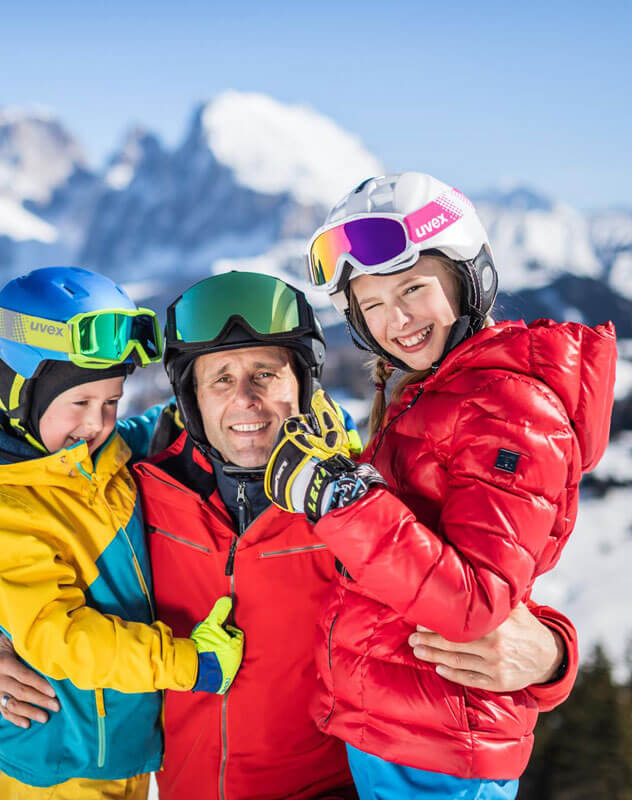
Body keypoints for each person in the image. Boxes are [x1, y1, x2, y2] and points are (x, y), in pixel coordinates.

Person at [0, 270, 581, 800]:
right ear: (190, 397)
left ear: (303, 384)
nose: (247, 400)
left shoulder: (356, 499)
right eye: (221, 380)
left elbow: (471, 586)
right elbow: (66, 555)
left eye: (267, 373)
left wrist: (553, 657)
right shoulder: (143, 482)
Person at [265, 172, 616, 799]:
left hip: (445, 749)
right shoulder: (435, 395)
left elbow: (475, 602)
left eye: (412, 289)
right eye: (370, 305)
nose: (394, 319)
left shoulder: (509, 408)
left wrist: (341, 499)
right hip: (401, 728)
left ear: (466, 277)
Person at [0, 266, 244, 800]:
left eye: (110, 401)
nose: (97, 422)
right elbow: (60, 636)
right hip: (62, 769)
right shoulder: (1, 508)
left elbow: (141, 432)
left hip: (121, 755)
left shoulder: (94, 456)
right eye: (79, 403)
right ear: (19, 389)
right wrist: (186, 663)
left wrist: (214, 404)